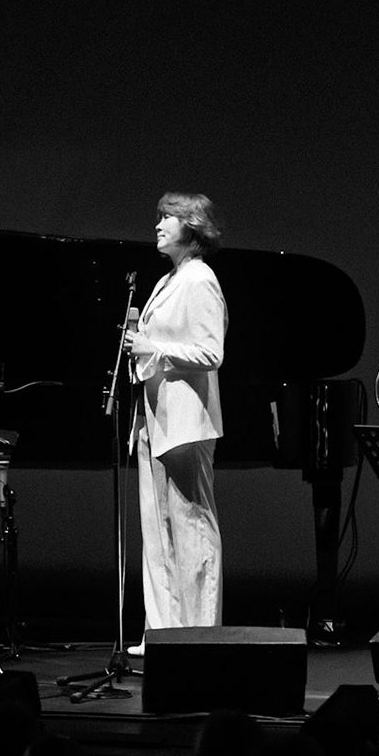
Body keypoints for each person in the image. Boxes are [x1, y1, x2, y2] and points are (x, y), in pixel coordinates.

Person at [123, 193, 228, 656]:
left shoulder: (200, 279)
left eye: (167, 217)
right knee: (158, 529)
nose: (159, 224)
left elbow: (211, 353)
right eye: (159, 216)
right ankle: (163, 634)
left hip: (185, 422)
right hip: (156, 417)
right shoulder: (169, 279)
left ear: (191, 225)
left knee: (191, 528)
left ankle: (200, 635)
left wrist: (152, 348)